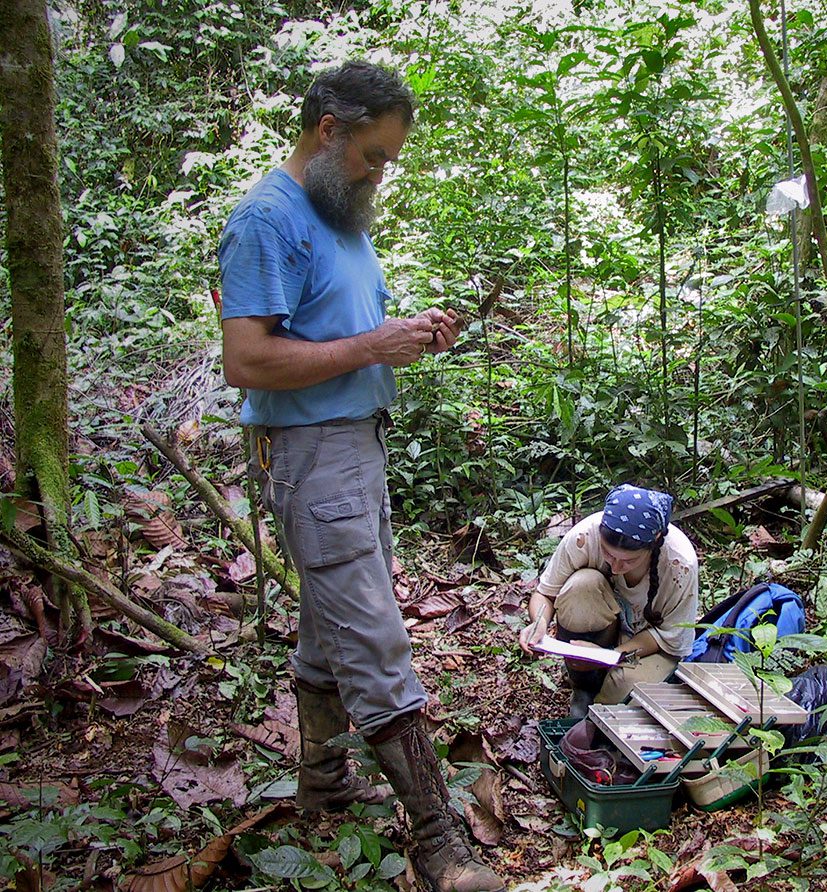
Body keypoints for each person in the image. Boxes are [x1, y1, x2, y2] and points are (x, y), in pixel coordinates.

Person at [218, 61, 503, 892]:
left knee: (331, 617)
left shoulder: (339, 212)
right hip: (312, 456)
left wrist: (404, 335)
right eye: (372, 155)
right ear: (328, 128)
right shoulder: (268, 220)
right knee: (375, 636)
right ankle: (438, 843)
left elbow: (338, 333)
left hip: (355, 447)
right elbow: (247, 358)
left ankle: (323, 784)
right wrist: (374, 347)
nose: (378, 172)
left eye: (389, 159)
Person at [518, 484, 699, 718]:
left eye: (628, 560)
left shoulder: (679, 563)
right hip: (604, 622)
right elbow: (546, 593)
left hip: (649, 645)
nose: (615, 566)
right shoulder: (584, 535)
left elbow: (667, 638)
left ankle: (599, 704)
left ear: (654, 542)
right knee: (581, 584)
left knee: (624, 695)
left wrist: (612, 656)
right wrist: (539, 623)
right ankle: (583, 687)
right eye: (608, 553)